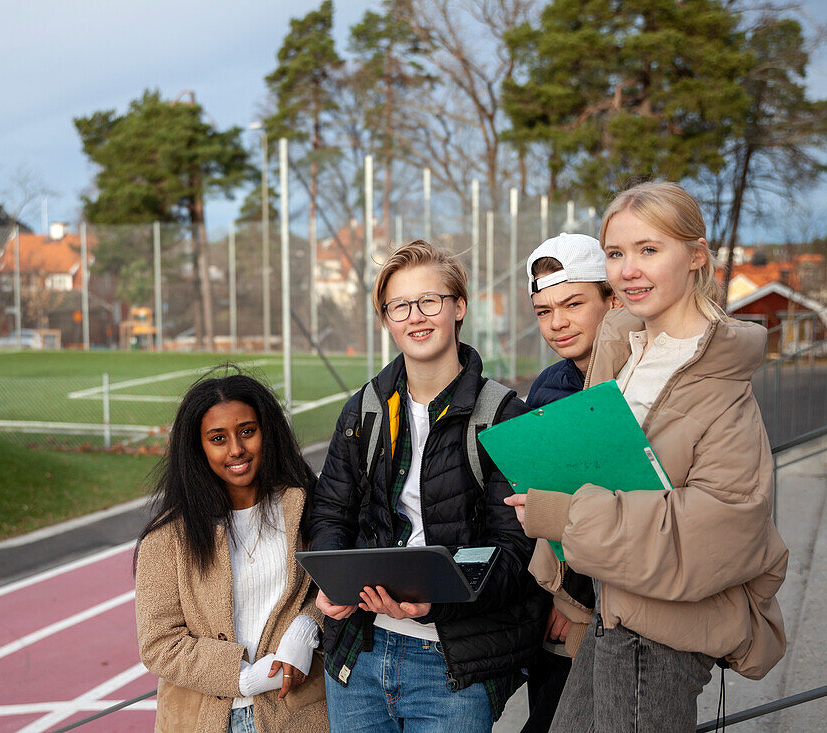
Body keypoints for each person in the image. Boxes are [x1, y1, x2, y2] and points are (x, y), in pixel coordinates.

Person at [505, 182, 788, 732]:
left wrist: (567, 516)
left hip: (661, 637)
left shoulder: (720, 379)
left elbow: (719, 531)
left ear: (697, 256)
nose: (629, 269)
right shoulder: (626, 354)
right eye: (616, 254)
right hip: (611, 617)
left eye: (649, 250)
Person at [308, 240, 548, 731]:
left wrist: (436, 601)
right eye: (399, 305)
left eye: (430, 301)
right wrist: (332, 581)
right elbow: (330, 513)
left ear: (458, 307)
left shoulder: (504, 416)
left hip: (451, 668)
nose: (416, 316)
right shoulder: (363, 412)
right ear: (387, 319)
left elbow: (517, 552)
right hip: (359, 656)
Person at [134, 372, 328, 733]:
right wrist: (242, 679)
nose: (236, 449)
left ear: (267, 431)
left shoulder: (305, 506)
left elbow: (334, 585)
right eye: (218, 438)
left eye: (247, 431)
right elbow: (159, 643)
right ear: (199, 448)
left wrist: (306, 628)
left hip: (300, 714)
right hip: (202, 720)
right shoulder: (167, 536)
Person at [521, 232, 617, 733]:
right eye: (543, 311)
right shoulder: (548, 386)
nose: (557, 323)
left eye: (573, 303)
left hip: (611, 608)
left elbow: (638, 501)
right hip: (555, 599)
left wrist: (576, 601)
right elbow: (547, 498)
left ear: (612, 298)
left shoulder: (641, 379)